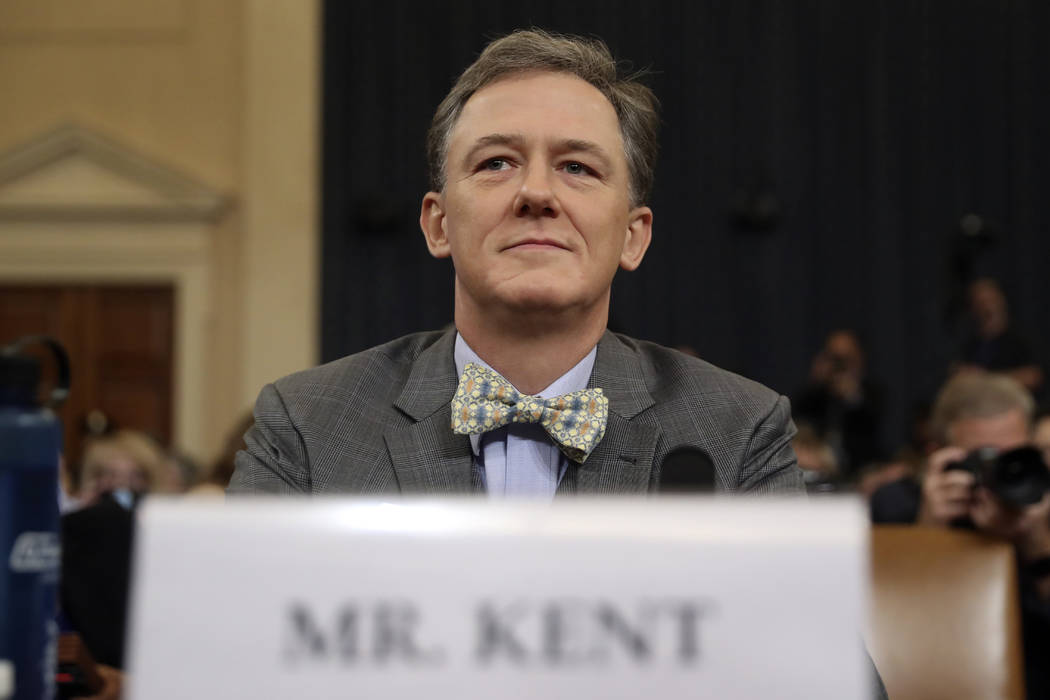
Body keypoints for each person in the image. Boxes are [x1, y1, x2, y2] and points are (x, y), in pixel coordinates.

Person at [228, 30, 801, 497]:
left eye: (577, 167)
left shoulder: (740, 430)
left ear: (633, 236)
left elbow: (807, 641)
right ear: (438, 223)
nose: (536, 193)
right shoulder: (305, 426)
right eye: (497, 162)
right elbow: (229, 635)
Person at [870, 374, 1050, 698]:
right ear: (939, 454)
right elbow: (884, 641)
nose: (1005, 473)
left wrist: (1036, 542)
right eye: (987, 460)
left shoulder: (1040, 505)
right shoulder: (898, 505)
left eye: (1016, 457)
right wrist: (929, 534)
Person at [793, 329, 885, 477]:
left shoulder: (871, 394)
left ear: (859, 359)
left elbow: (874, 438)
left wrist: (851, 396)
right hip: (816, 472)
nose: (839, 367)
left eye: (845, 359)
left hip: (860, 474)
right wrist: (816, 383)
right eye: (834, 359)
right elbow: (799, 426)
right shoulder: (813, 396)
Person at [953, 277, 1044, 393]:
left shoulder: (1020, 338)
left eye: (990, 300)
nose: (986, 307)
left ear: (1001, 301)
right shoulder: (970, 344)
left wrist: (985, 378)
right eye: (980, 302)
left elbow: (1033, 377)